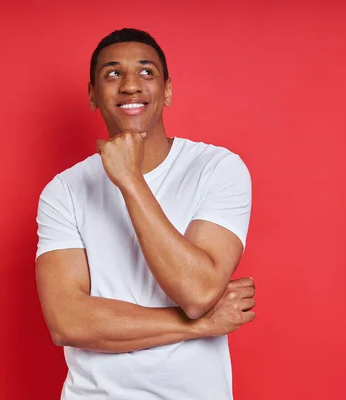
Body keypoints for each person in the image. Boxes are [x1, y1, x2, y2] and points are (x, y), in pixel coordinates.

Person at [35, 28, 256, 400]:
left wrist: (129, 180)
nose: (130, 85)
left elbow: (197, 292)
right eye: (112, 74)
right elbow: (66, 321)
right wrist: (198, 327)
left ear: (167, 90)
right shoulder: (64, 190)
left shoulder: (217, 169)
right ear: (92, 95)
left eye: (146, 72)